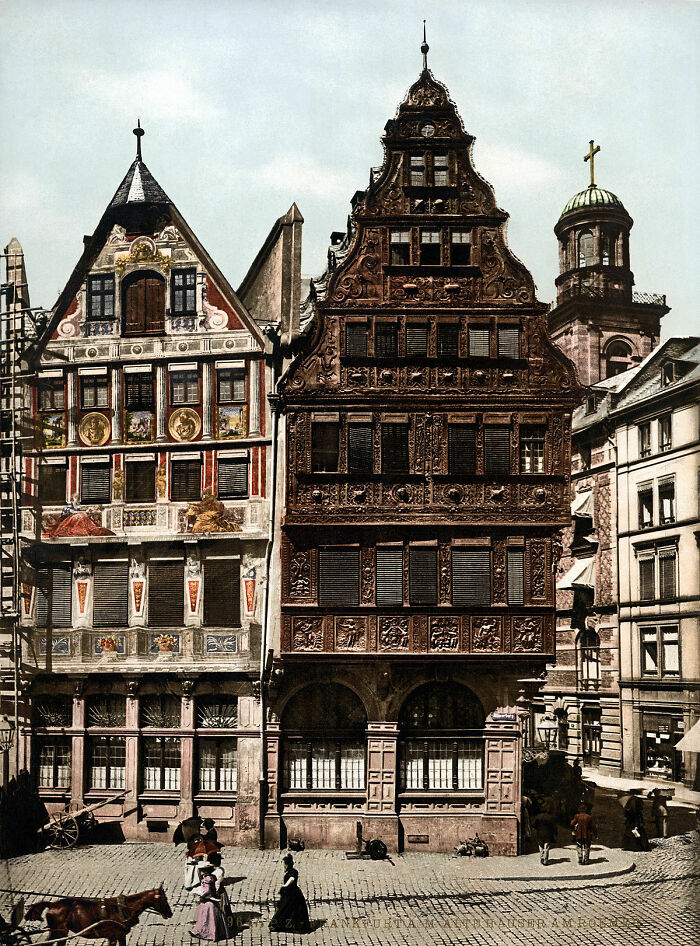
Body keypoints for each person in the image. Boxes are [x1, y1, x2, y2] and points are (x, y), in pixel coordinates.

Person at [268, 854, 311, 933]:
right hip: (289, 893)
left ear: (287, 864)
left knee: (285, 909)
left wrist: (285, 885)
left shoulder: (293, 871)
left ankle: (278, 925)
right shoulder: (290, 871)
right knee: (288, 910)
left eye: (284, 864)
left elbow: (292, 878)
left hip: (292, 894)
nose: (283, 866)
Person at [191, 874, 227, 942]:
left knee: (209, 919)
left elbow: (207, 891)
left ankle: (210, 934)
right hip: (206, 903)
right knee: (204, 919)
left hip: (208, 904)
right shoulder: (208, 878)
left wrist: (202, 895)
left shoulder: (209, 879)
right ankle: (203, 931)